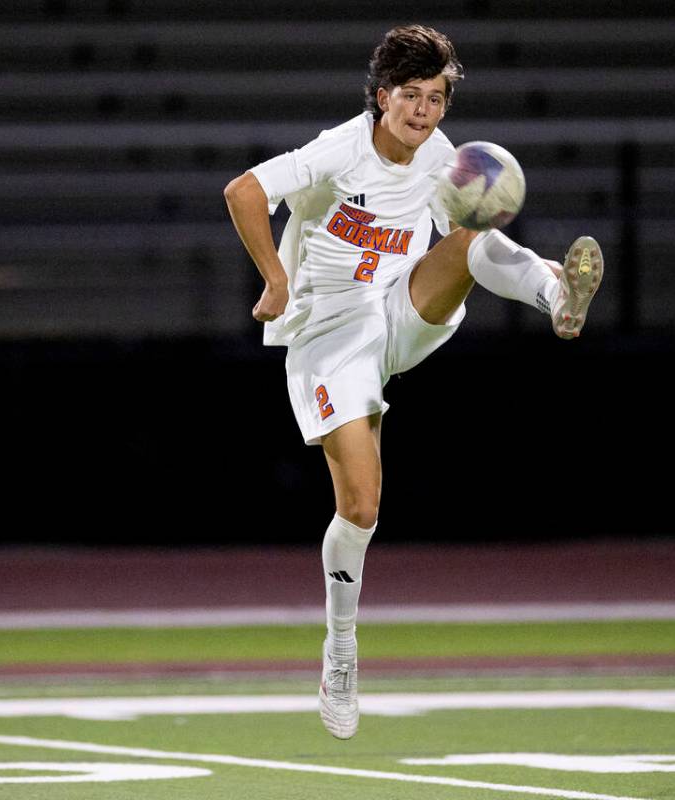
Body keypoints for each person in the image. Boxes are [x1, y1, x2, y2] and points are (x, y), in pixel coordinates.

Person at [224, 24, 603, 740]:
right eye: (410, 97)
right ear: (380, 98)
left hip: (398, 310)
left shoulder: (441, 159)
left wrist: (539, 269)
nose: (423, 112)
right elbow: (243, 190)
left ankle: (555, 295)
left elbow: (476, 245)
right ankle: (340, 649)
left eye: (435, 98)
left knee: (468, 235)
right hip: (327, 335)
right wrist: (274, 278)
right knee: (362, 508)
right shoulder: (342, 148)